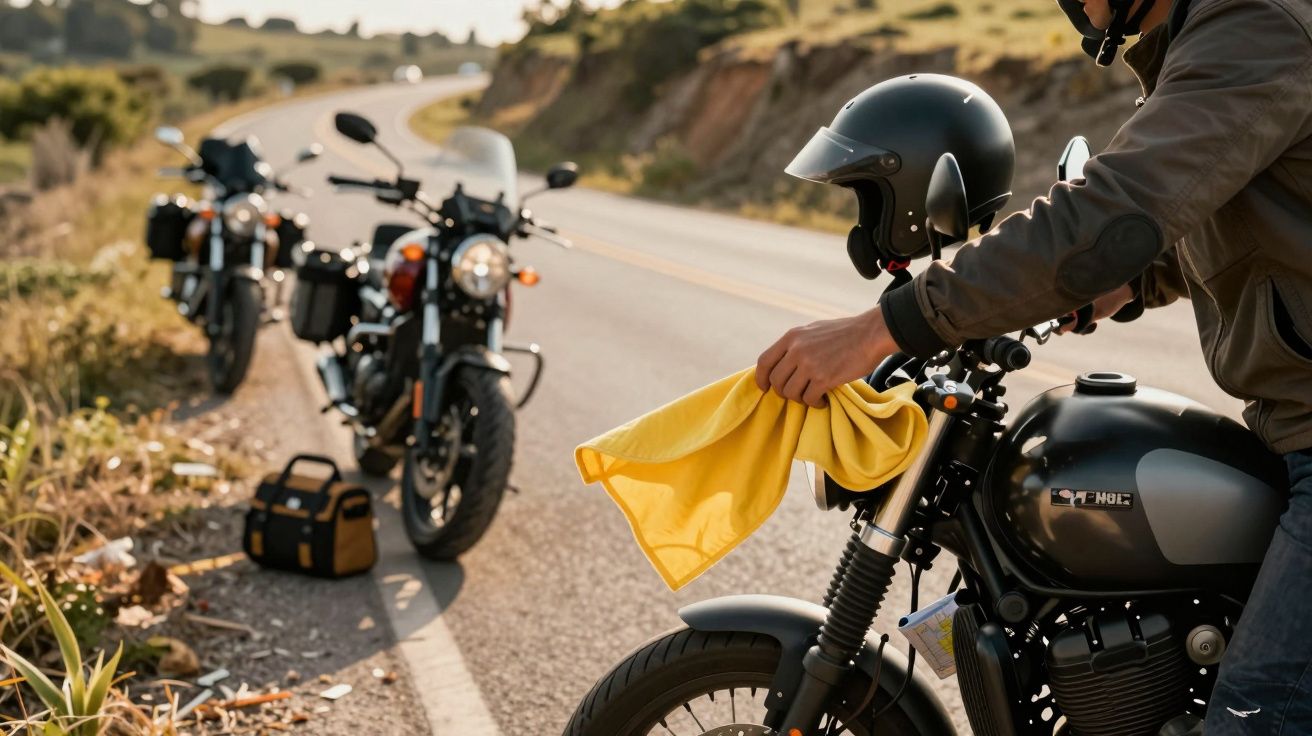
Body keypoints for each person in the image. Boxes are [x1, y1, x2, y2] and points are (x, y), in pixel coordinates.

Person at [756, 0, 1312, 733]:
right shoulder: (1207, 39)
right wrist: (1128, 282)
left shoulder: (1257, 24)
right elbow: (1222, 209)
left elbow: (1110, 212)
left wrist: (878, 331)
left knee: (1255, 716)